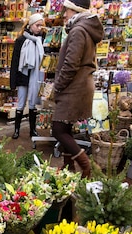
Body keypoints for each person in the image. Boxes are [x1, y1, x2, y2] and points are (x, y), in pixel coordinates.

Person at [52, 0, 103, 178]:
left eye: (66, 10)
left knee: (57, 129)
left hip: (74, 87)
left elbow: (71, 64)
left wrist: (57, 86)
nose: (64, 14)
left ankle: (85, 164)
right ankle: (68, 168)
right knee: (65, 128)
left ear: (74, 10)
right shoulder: (83, 29)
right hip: (80, 85)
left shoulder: (78, 31)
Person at [10, 13, 45, 140]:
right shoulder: (21, 40)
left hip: (35, 76)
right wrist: (12, 82)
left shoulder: (42, 40)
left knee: (32, 104)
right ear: (30, 25)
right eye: (37, 25)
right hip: (22, 75)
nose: (40, 28)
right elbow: (15, 61)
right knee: (20, 104)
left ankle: (33, 130)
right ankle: (17, 130)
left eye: (41, 25)